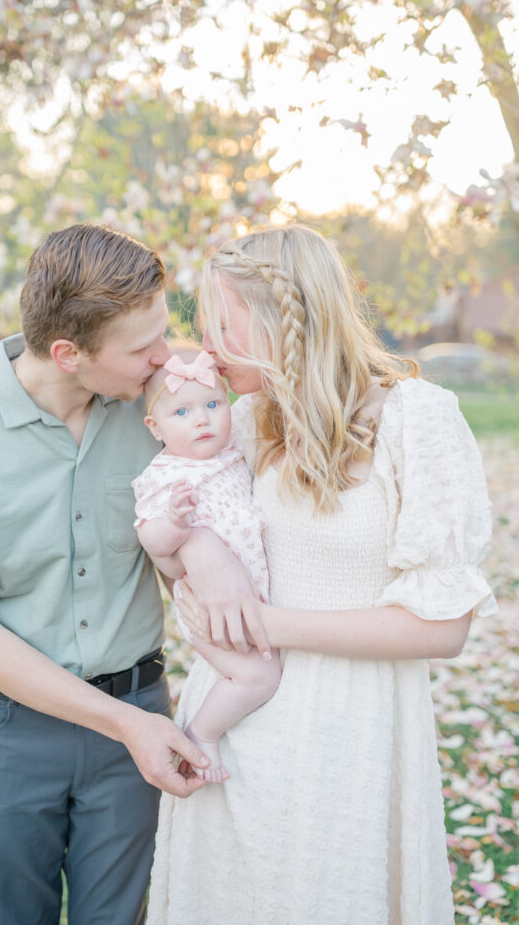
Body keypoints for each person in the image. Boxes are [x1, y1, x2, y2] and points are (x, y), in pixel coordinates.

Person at [147, 224, 497, 925]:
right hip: (235, 719)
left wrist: (269, 624)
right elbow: (176, 529)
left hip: (353, 728)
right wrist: (201, 560)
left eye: (221, 324)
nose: (206, 349)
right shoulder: (244, 423)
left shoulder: (414, 419)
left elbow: (443, 626)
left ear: (280, 318)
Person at [0, 223, 219, 925]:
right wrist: (122, 725)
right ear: (69, 353)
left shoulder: (157, 410)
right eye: (142, 348)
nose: (164, 357)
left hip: (137, 705)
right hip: (8, 731)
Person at [132, 346, 281, 782]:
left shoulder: (232, 451)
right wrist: (176, 524)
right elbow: (149, 538)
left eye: (213, 405)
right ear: (155, 427)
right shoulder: (165, 477)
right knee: (260, 677)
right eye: (182, 412)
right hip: (208, 607)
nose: (202, 420)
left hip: (248, 593)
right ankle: (202, 734)